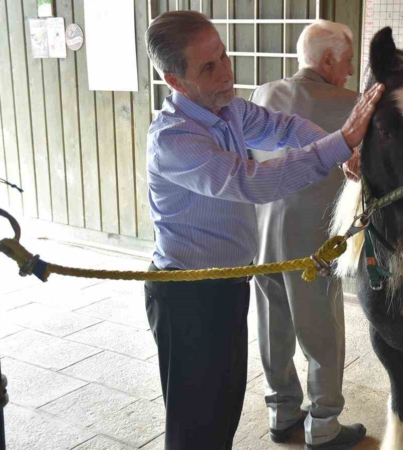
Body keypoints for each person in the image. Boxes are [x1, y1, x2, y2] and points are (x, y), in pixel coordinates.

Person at [143, 11, 383, 450]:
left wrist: (339, 150)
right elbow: (249, 182)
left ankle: (284, 414)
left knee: (224, 407)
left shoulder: (229, 110)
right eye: (208, 67)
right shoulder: (175, 138)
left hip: (229, 282)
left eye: (224, 56)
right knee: (196, 422)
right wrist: (340, 143)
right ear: (175, 82)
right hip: (187, 295)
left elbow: (284, 127)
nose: (226, 72)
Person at [247, 20, 363, 450]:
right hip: (311, 244)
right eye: (348, 61)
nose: (350, 71)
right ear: (328, 59)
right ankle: (325, 426)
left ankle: (281, 413)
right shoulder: (353, 105)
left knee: (273, 326)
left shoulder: (263, 93)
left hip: (261, 238)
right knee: (322, 334)